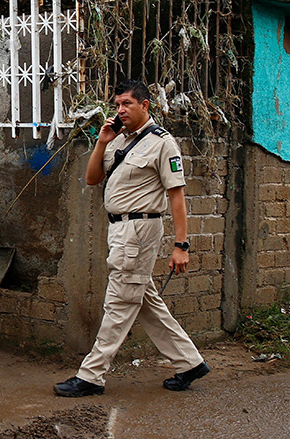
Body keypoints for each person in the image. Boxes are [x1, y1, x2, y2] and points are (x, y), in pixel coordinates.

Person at [53, 79, 210, 397]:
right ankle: (189, 363)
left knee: (120, 302)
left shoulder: (162, 143)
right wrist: (101, 142)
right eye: (117, 104)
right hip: (120, 229)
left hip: (139, 230)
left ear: (145, 105)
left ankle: (91, 375)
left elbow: (177, 196)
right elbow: (92, 178)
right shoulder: (117, 140)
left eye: (127, 104)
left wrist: (182, 245)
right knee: (143, 300)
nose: (120, 110)